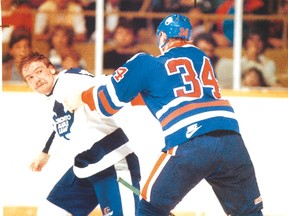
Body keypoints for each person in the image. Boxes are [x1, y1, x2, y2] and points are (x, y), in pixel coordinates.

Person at [64, 14, 264, 215]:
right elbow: (165, 91)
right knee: (249, 213)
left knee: (149, 210)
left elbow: (106, 103)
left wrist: (80, 96)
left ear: (161, 37)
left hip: (191, 141)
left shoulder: (145, 62)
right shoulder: (201, 57)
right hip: (232, 142)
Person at [18, 51, 141, 216]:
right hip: (86, 168)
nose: (36, 79)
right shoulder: (51, 96)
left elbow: (106, 82)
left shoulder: (69, 80)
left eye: (39, 71)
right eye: (30, 77)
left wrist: (84, 96)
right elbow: (60, 126)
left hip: (114, 164)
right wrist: (45, 152)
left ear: (52, 69)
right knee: (51, 212)